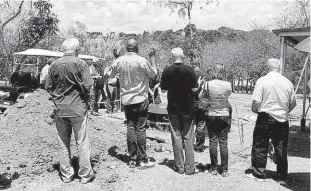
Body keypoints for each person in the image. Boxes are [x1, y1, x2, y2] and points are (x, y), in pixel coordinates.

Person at [45, 38, 95, 184]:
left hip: (60, 109)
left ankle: (66, 175)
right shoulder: (81, 63)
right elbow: (87, 86)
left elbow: (48, 86)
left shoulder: (53, 65)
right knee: (82, 142)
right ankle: (85, 176)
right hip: (78, 108)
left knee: (63, 143)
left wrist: (58, 96)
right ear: (77, 49)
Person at [106, 39, 157, 168]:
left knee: (130, 127)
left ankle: (132, 158)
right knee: (140, 128)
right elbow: (153, 74)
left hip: (127, 100)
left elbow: (108, 73)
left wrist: (115, 58)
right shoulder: (141, 60)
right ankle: (142, 158)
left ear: (126, 48)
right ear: (137, 48)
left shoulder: (119, 61)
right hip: (141, 98)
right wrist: (152, 58)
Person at [249, 58, 296, 184]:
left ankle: (259, 173)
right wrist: (284, 111)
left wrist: (255, 110)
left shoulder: (262, 81)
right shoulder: (287, 82)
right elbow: (293, 103)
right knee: (281, 146)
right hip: (282, 117)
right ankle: (282, 177)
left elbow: (257, 101)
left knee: (260, 144)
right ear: (280, 67)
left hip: (265, 116)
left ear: (268, 67)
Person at [160, 47, 204, 175]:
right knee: (188, 137)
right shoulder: (189, 70)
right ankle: (190, 168)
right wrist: (199, 83)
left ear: (172, 56)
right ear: (182, 56)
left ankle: (179, 166)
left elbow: (163, 90)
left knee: (176, 137)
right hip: (187, 108)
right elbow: (195, 90)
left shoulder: (167, 71)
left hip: (173, 108)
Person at [199, 63, 232, 177]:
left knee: (213, 142)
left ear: (213, 71)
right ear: (223, 72)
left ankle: (213, 168)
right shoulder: (228, 85)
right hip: (224, 115)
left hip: (211, 114)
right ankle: (225, 169)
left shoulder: (207, 84)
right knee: (223, 142)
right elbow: (227, 97)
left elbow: (201, 97)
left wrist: (200, 85)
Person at [191, 58, 210, 152]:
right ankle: (199, 146)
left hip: (189, 103)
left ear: (192, 65)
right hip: (201, 103)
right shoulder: (206, 76)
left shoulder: (187, 75)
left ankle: (187, 144)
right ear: (200, 65)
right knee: (201, 124)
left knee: (188, 124)